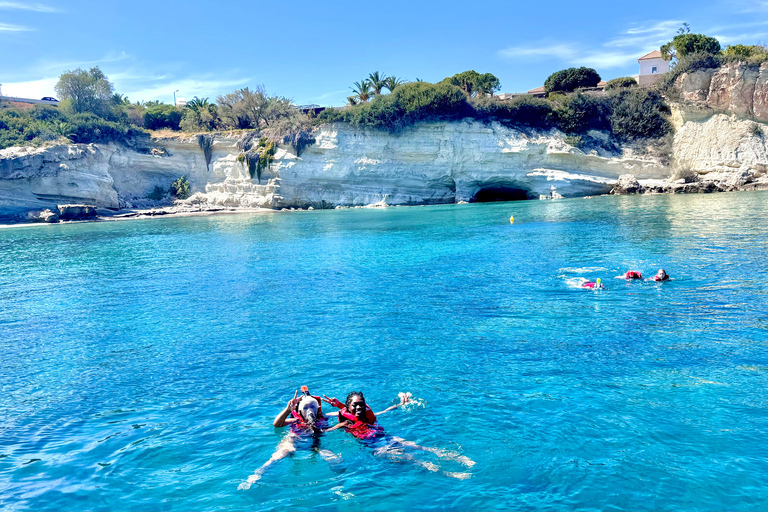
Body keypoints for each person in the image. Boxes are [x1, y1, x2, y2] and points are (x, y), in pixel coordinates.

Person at [321, 391, 475, 479]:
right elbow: (327, 428)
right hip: (375, 446)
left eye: (362, 404)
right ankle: (447, 472)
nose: (359, 407)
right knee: (411, 458)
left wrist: (401, 405)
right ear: (348, 407)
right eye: (355, 405)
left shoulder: (368, 416)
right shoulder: (344, 422)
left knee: (418, 446)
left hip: (386, 437)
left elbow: (385, 411)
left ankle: (459, 458)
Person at [239, 387, 340, 490]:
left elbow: (349, 414)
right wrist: (288, 410)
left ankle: (338, 484)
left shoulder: (324, 417)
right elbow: (277, 424)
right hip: (292, 444)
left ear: (317, 408)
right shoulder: (295, 420)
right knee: (277, 457)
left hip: (316, 445)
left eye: (312, 407)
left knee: (334, 459)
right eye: (305, 408)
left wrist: (339, 405)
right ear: (300, 411)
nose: (309, 410)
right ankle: (255, 476)